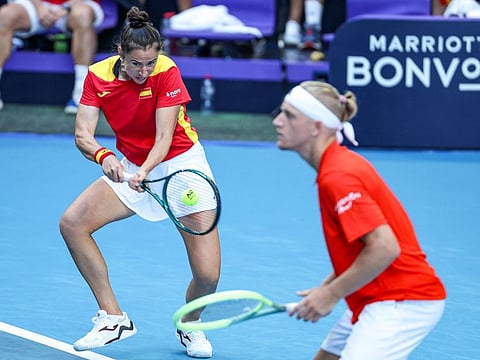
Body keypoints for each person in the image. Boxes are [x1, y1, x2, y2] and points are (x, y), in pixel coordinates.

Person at [59, 6, 220, 358]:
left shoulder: (167, 71)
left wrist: (144, 171)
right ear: (121, 54)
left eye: (150, 63)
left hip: (180, 167)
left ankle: (189, 324)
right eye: (136, 64)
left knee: (207, 275)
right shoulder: (98, 76)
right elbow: (83, 134)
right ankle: (112, 318)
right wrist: (106, 157)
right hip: (131, 164)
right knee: (73, 224)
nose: (144, 71)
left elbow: (164, 138)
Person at [272, 81, 447, 360]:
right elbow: (361, 247)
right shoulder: (338, 164)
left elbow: (385, 247)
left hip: (403, 300)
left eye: (290, 115)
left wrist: (330, 295)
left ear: (316, 126)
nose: (278, 122)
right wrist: (327, 287)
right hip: (373, 294)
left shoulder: (338, 175)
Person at [0, 0, 108, 114]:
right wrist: (39, 7)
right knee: (6, 15)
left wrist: (65, 7)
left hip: (77, 4)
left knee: (83, 14)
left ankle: (82, 93)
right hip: (36, 4)